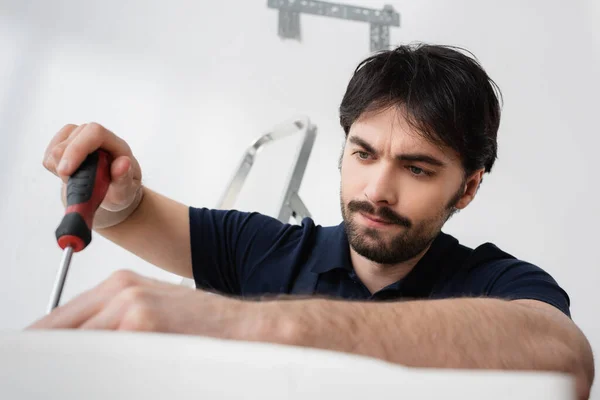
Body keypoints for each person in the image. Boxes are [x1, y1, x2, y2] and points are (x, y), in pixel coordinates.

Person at [32, 44, 594, 398]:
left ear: (467, 187)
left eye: (417, 169)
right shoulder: (261, 250)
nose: (377, 190)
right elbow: (128, 214)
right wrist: (117, 196)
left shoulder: (499, 285)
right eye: (364, 153)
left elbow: (563, 357)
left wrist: (259, 324)